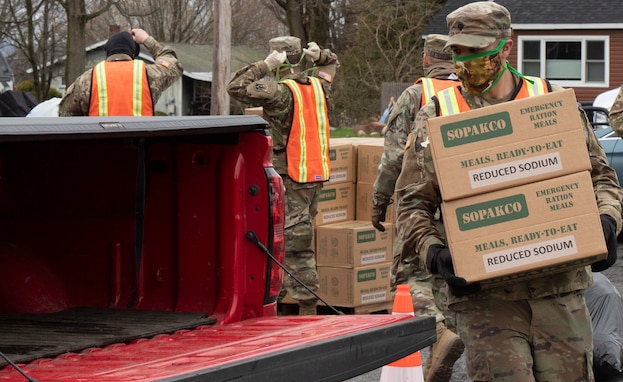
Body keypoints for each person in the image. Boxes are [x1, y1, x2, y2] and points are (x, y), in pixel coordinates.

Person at [395, 2, 622, 381]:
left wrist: (607, 220)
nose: (466, 61)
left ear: (505, 48)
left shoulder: (549, 101)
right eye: (459, 51)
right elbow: (413, 202)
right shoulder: (438, 114)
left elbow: (601, 177)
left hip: (559, 293)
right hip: (487, 302)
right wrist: (434, 253)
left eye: (476, 50)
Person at [371, 34, 463, 382]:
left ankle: (439, 333)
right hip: (462, 206)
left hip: (420, 205)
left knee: (413, 277)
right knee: (449, 281)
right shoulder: (468, 94)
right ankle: (438, 362)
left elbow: (394, 157)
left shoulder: (416, 94)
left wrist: (379, 202)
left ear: (426, 59)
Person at [227, 36, 339, 316]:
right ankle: (296, 303)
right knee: (297, 238)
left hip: (291, 176)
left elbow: (236, 87)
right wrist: (320, 54)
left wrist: (264, 65)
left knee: (295, 245)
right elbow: (332, 64)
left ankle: (305, 308)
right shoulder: (320, 86)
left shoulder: (278, 92)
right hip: (315, 175)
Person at [59, 28, 182, 116]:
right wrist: (146, 39)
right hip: (140, 148)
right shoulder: (149, 74)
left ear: (108, 52)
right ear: (133, 53)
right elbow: (173, 63)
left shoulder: (88, 78)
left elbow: (65, 114)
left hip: (99, 149)